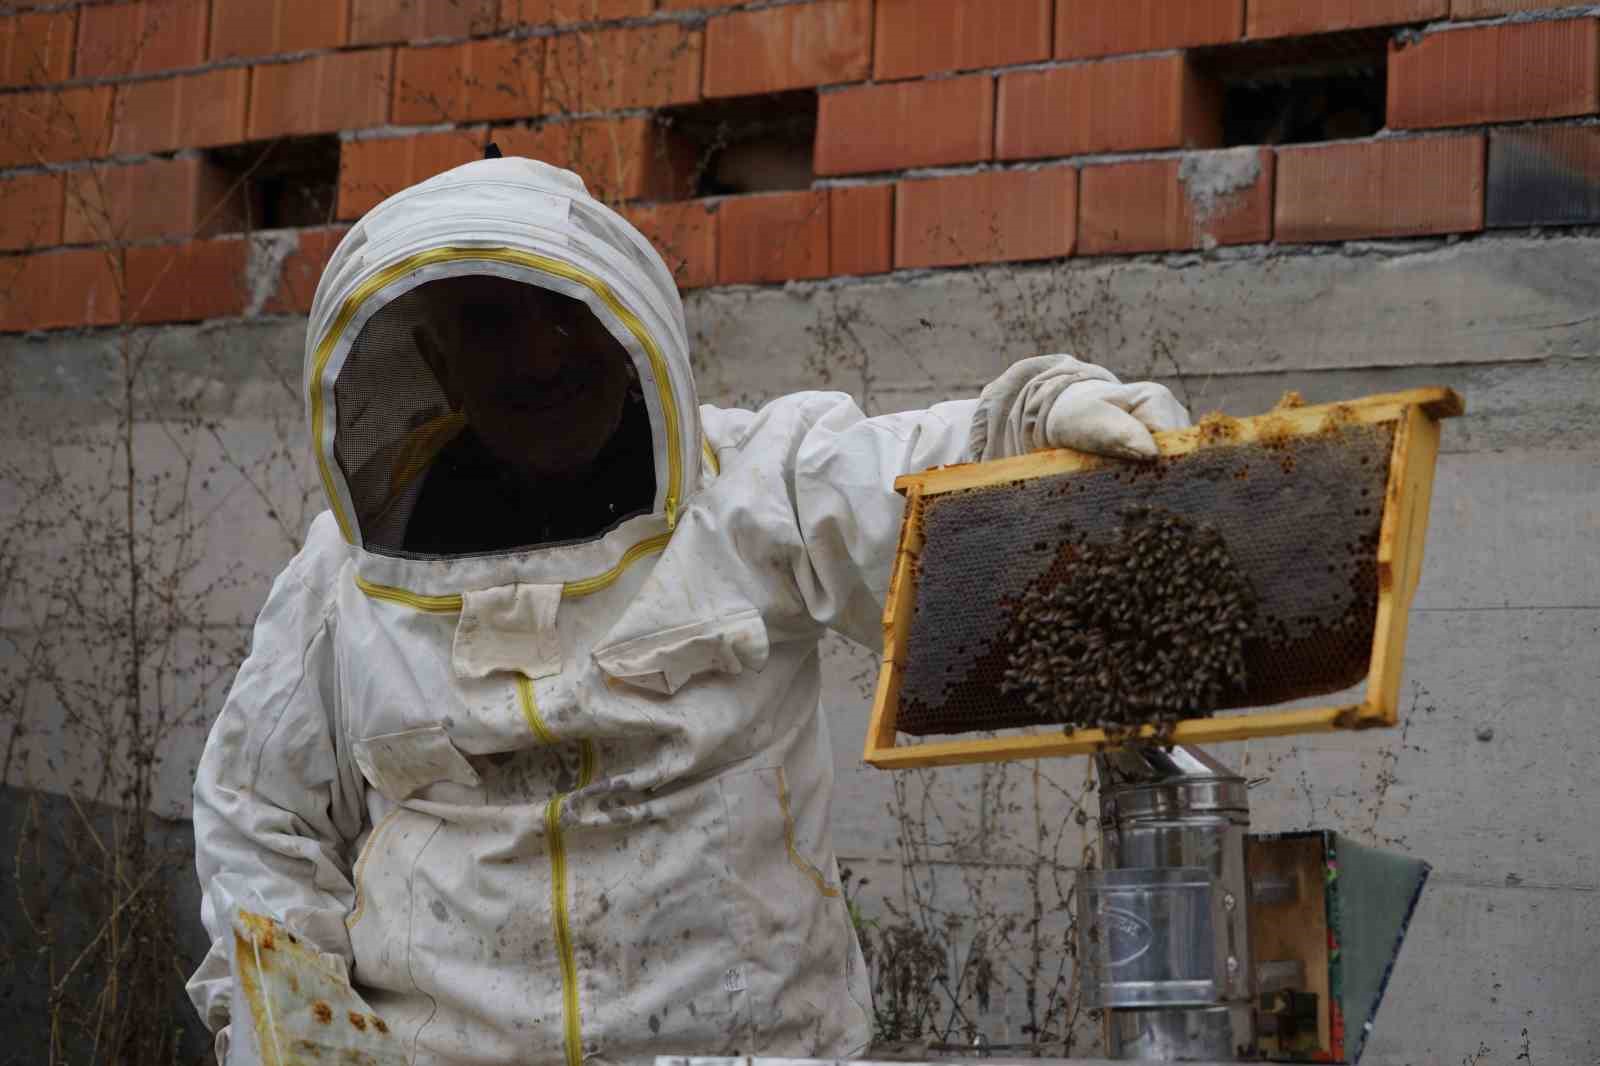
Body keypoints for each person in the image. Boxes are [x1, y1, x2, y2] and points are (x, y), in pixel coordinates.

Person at [187, 156, 1189, 1066]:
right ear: (438, 360)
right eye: (488, 323)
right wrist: (287, 1015)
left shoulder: (753, 487)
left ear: (620, 324)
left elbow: (912, 473)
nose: (536, 355)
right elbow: (258, 810)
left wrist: (1032, 424)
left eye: (557, 312)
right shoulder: (342, 578)